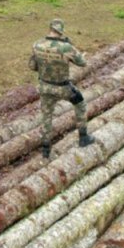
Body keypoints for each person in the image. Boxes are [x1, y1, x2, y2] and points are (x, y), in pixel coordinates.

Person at [28, 18, 96, 159]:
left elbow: (32, 67)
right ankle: (83, 137)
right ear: (61, 31)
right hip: (63, 88)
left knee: (47, 116)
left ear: (50, 29)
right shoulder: (66, 47)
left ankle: (46, 149)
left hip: (44, 86)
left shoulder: (37, 44)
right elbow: (83, 63)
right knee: (80, 104)